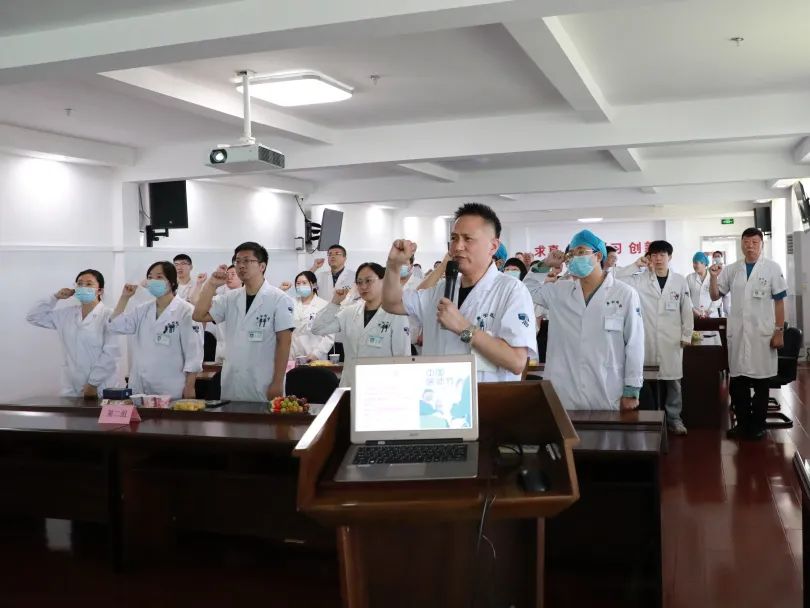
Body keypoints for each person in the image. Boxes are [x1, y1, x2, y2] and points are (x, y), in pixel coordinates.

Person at [382, 203, 537, 382]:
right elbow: (391, 303)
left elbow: (517, 362)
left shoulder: (511, 291)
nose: (457, 246)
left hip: (487, 396)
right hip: (437, 394)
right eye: (454, 238)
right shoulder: (440, 290)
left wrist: (465, 329)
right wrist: (393, 265)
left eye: (467, 239)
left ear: (493, 246)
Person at [524, 229, 644, 410]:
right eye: (571, 254)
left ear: (598, 256)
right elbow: (527, 290)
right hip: (564, 388)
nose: (574, 258)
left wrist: (632, 389)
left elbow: (635, 343)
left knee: (606, 429)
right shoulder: (560, 291)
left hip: (607, 388)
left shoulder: (624, 294)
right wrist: (546, 264)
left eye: (581, 252)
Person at [710, 228, 787, 440]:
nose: (750, 246)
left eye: (754, 242)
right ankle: (743, 424)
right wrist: (713, 278)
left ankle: (758, 425)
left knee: (762, 383)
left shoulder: (772, 268)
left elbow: (780, 302)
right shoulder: (732, 269)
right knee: (738, 383)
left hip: (763, 335)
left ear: (761, 244)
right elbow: (715, 296)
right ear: (741, 244)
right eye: (746, 242)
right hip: (738, 334)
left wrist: (779, 331)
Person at [194, 242, 295, 402]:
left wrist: (277, 382)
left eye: (247, 261)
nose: (241, 265)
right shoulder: (230, 298)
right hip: (233, 380)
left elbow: (284, 342)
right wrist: (211, 285)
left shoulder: (279, 299)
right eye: (238, 261)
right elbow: (198, 315)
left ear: (262, 266)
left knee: (264, 418)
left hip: (263, 380)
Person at [615, 241, 693, 435]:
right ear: (649, 258)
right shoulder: (640, 279)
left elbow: (686, 309)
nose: (658, 259)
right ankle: (649, 420)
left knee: (673, 382)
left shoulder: (679, 281)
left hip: (672, 340)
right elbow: (616, 277)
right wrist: (636, 265)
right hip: (646, 339)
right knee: (646, 381)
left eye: (662, 255)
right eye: (654, 255)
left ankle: (674, 419)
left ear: (669, 257)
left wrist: (686, 334)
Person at [109, 261, 203, 399]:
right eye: (150, 277)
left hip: (169, 387)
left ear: (172, 282)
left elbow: (194, 354)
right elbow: (115, 326)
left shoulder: (186, 311)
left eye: (159, 277)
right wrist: (124, 298)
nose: (153, 281)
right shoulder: (143, 309)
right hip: (140, 385)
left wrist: (190, 387)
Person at [311, 262, 410, 388]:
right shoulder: (349, 312)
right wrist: (335, 303)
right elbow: (317, 328)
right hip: (350, 384)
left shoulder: (396, 315)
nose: (363, 286)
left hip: (381, 387)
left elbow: (402, 358)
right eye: (359, 282)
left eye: (368, 281)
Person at [26, 269, 122, 398]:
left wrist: (93, 384)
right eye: (80, 284)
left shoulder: (109, 315)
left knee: (103, 411)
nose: (83, 287)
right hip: (71, 388)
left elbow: (111, 354)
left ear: (100, 291)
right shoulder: (66, 315)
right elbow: (33, 316)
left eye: (89, 284)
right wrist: (55, 297)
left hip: (102, 388)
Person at [288, 271, 334, 362]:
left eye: (304, 283)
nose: (300, 286)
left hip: (315, 357)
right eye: (298, 283)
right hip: (293, 356)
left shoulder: (324, 305)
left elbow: (329, 336)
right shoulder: (290, 303)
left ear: (314, 285)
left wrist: (316, 354)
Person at [686, 252, 723, 345]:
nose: (695, 265)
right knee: (696, 343)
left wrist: (708, 312)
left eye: (697, 263)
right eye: (693, 263)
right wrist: (695, 310)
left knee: (711, 343)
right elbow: (686, 296)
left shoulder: (714, 276)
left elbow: (718, 297)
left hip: (711, 315)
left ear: (704, 263)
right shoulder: (689, 278)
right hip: (695, 315)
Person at [711, 251, 731, 316]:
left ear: (721, 257)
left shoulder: (726, 268)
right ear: (713, 258)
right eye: (715, 256)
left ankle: (727, 320)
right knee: (715, 308)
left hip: (726, 290)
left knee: (727, 309)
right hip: (716, 290)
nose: (717, 258)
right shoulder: (712, 268)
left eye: (718, 256)